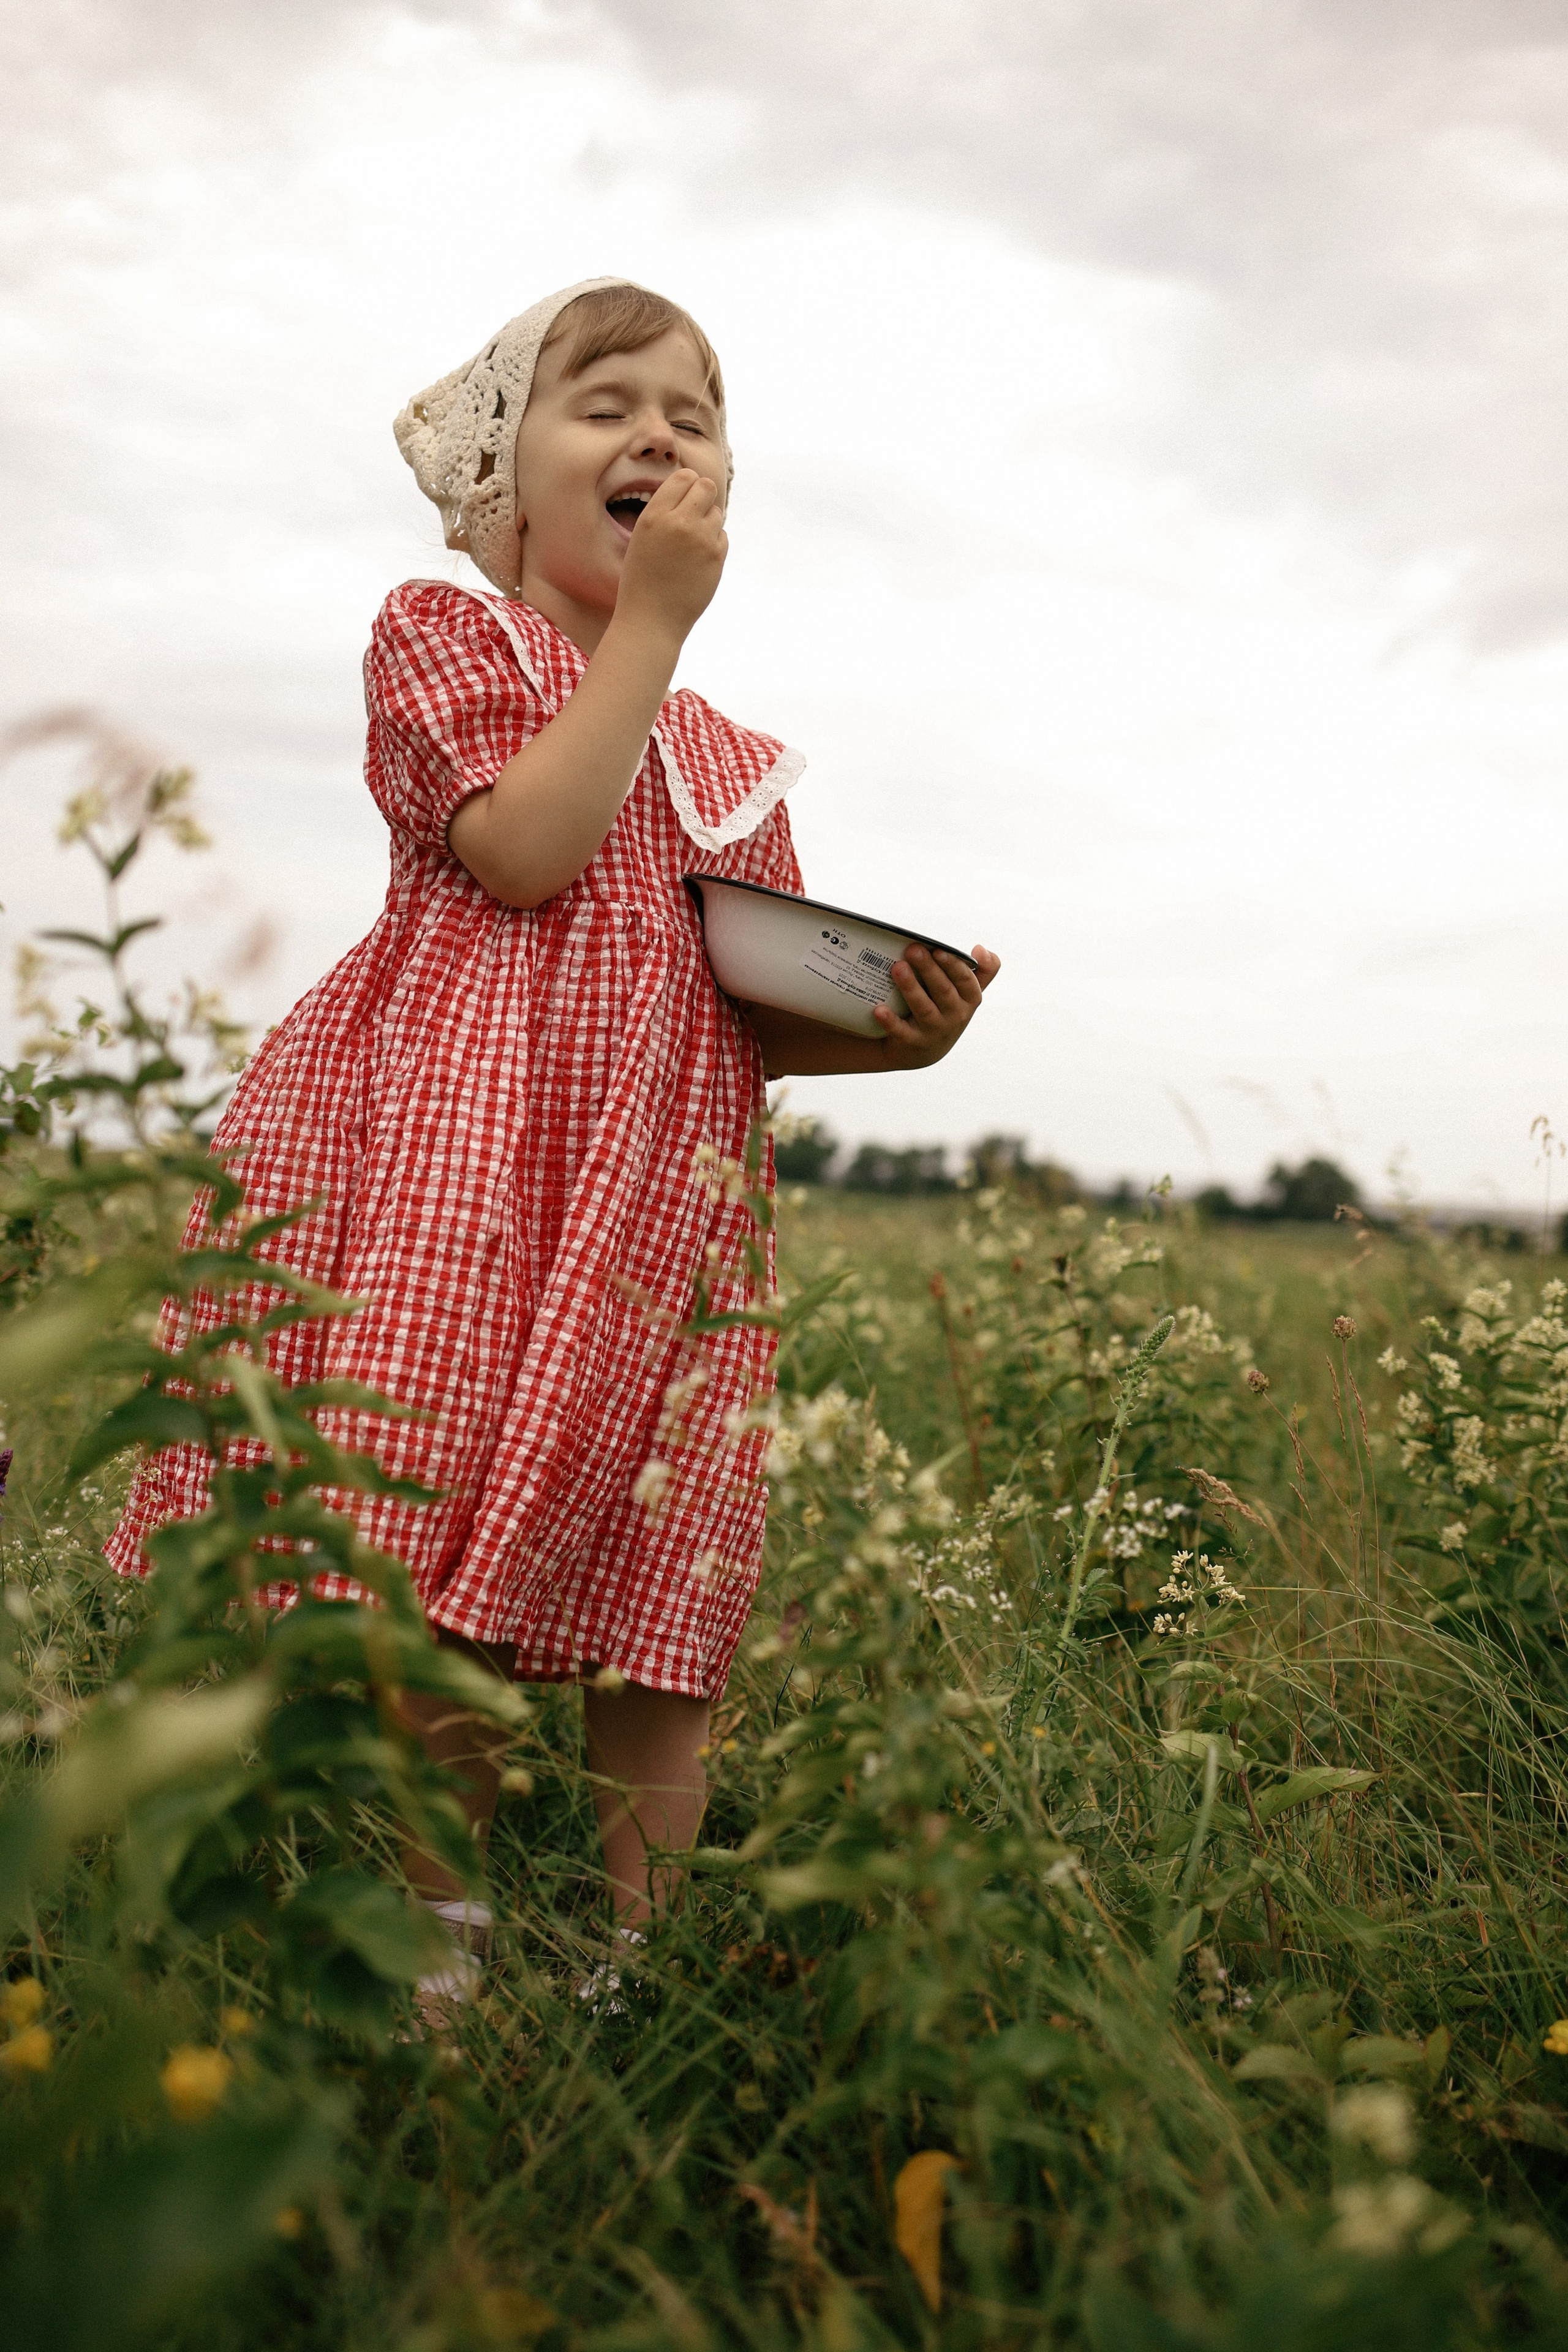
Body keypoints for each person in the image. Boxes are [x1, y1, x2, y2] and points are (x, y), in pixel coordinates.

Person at [107, 277, 1000, 2003]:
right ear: (503, 482)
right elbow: (523, 850)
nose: (662, 432)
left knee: (671, 1563)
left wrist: (891, 1029)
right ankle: (431, 1922)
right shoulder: (445, 638)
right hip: (466, 1158)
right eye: (608, 404)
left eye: (698, 409)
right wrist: (648, 635)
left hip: (661, 1199)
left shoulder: (735, 763)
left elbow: (741, 1010)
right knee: (430, 1529)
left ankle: (641, 1950)